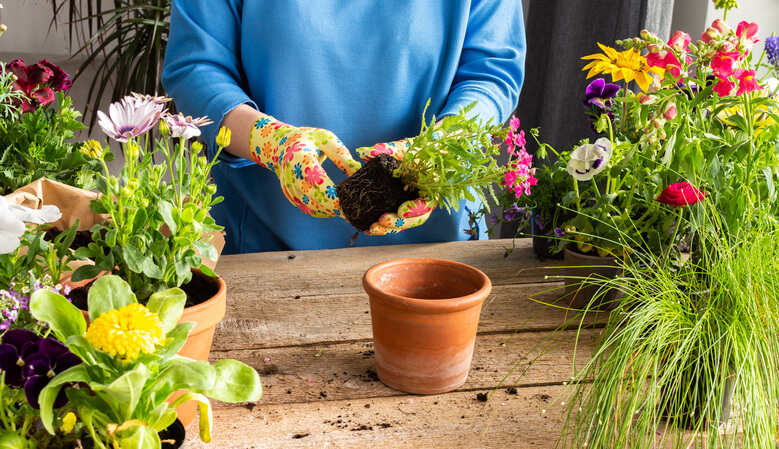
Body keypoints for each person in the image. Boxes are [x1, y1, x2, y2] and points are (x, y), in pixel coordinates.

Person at [162, 1, 526, 254]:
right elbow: (197, 66)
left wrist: (443, 149)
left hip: (438, 245)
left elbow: (491, 71)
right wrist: (272, 143)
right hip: (268, 244)